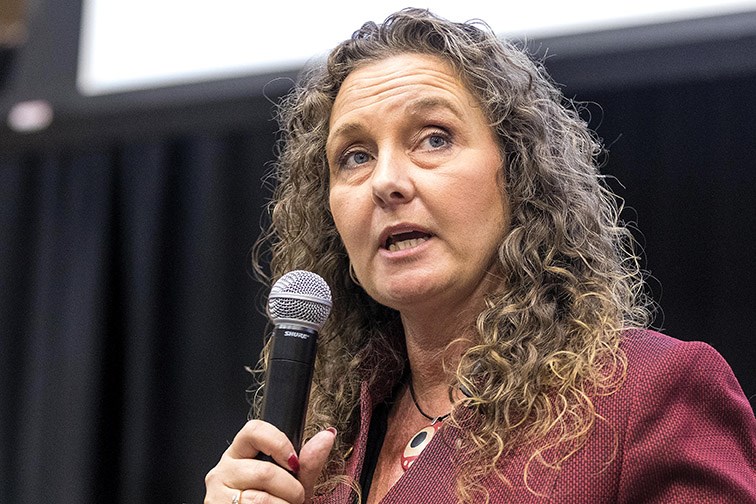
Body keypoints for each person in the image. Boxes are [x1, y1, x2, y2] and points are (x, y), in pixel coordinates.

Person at [204, 8, 756, 504]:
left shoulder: (648, 392)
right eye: (354, 156)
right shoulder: (318, 443)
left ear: (517, 174)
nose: (387, 182)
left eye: (434, 138)